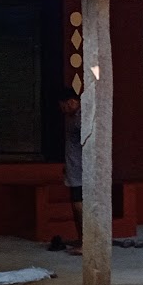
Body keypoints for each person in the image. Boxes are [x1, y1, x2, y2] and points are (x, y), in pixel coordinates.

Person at [58, 86, 83, 255]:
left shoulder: (83, 117)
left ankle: (87, 242)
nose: (63, 110)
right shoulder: (71, 118)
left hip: (83, 170)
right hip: (73, 168)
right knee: (75, 206)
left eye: (64, 106)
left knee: (80, 206)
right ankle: (81, 238)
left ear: (72, 102)